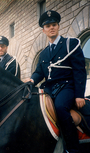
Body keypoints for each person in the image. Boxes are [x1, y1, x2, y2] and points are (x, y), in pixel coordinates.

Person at [24, 10, 86, 153]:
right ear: (43, 30)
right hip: (49, 88)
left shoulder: (71, 44)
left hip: (67, 86)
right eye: (48, 26)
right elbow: (40, 72)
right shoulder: (44, 53)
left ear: (58, 26)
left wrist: (79, 95)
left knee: (60, 107)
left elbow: (79, 71)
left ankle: (72, 148)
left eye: (54, 24)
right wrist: (32, 79)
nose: (51, 27)